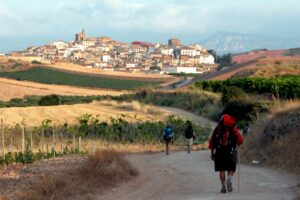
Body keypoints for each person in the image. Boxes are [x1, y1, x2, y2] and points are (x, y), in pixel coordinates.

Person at [209, 114, 244, 193]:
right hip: (231, 151)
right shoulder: (233, 129)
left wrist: (212, 153)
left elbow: (212, 141)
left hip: (220, 151)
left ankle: (223, 187)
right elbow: (240, 140)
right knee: (231, 168)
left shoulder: (218, 129)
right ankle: (229, 180)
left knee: (222, 169)